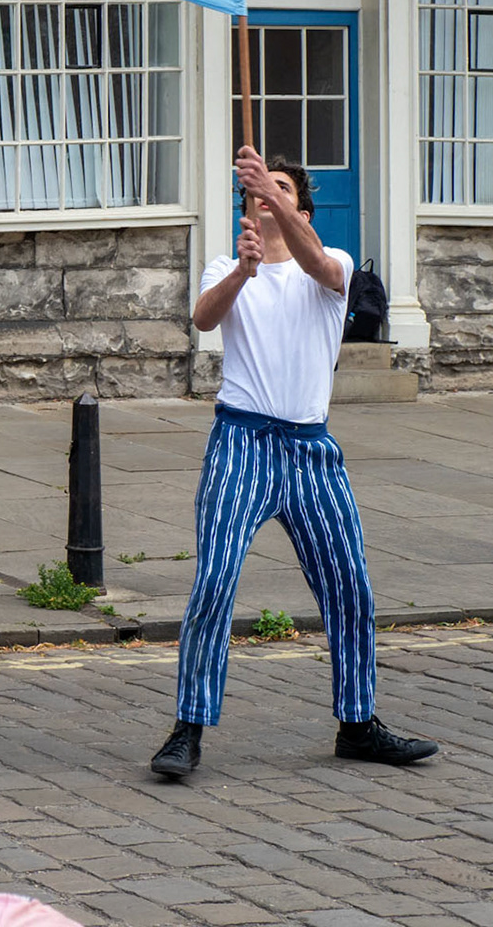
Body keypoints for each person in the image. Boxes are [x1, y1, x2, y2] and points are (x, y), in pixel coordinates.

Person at [149, 147, 439, 781]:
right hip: (241, 442)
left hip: (310, 448)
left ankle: (357, 724)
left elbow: (320, 265)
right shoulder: (225, 266)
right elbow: (202, 319)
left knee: (350, 587)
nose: (266, 196)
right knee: (215, 583)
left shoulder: (329, 265)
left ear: (302, 210)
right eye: (257, 191)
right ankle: (187, 730)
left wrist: (271, 191)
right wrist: (241, 273)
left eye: (281, 191)